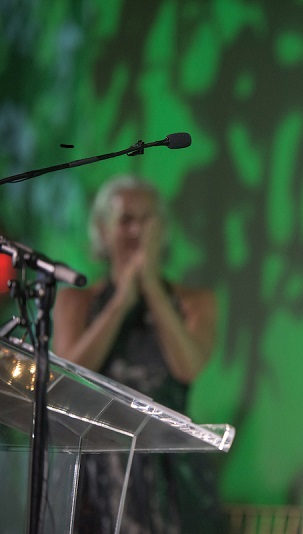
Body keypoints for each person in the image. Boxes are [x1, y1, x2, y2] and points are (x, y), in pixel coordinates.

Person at [53, 175, 224, 533]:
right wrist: (122, 301)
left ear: (163, 230)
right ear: (102, 229)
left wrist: (151, 288)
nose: (135, 231)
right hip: (98, 480)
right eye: (125, 219)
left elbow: (188, 366)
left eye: (146, 221)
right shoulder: (77, 301)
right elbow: (69, 376)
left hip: (172, 479)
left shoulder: (195, 302)